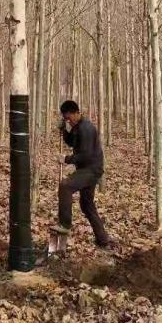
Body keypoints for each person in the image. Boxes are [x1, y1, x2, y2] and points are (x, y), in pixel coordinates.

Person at [56, 100, 111, 248]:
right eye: (65, 119)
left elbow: (85, 155)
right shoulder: (77, 127)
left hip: (91, 169)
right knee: (87, 205)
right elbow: (73, 143)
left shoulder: (85, 128)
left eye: (69, 118)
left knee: (65, 186)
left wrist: (66, 159)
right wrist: (64, 131)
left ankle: (64, 225)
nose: (68, 121)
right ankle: (103, 240)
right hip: (86, 168)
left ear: (76, 113)